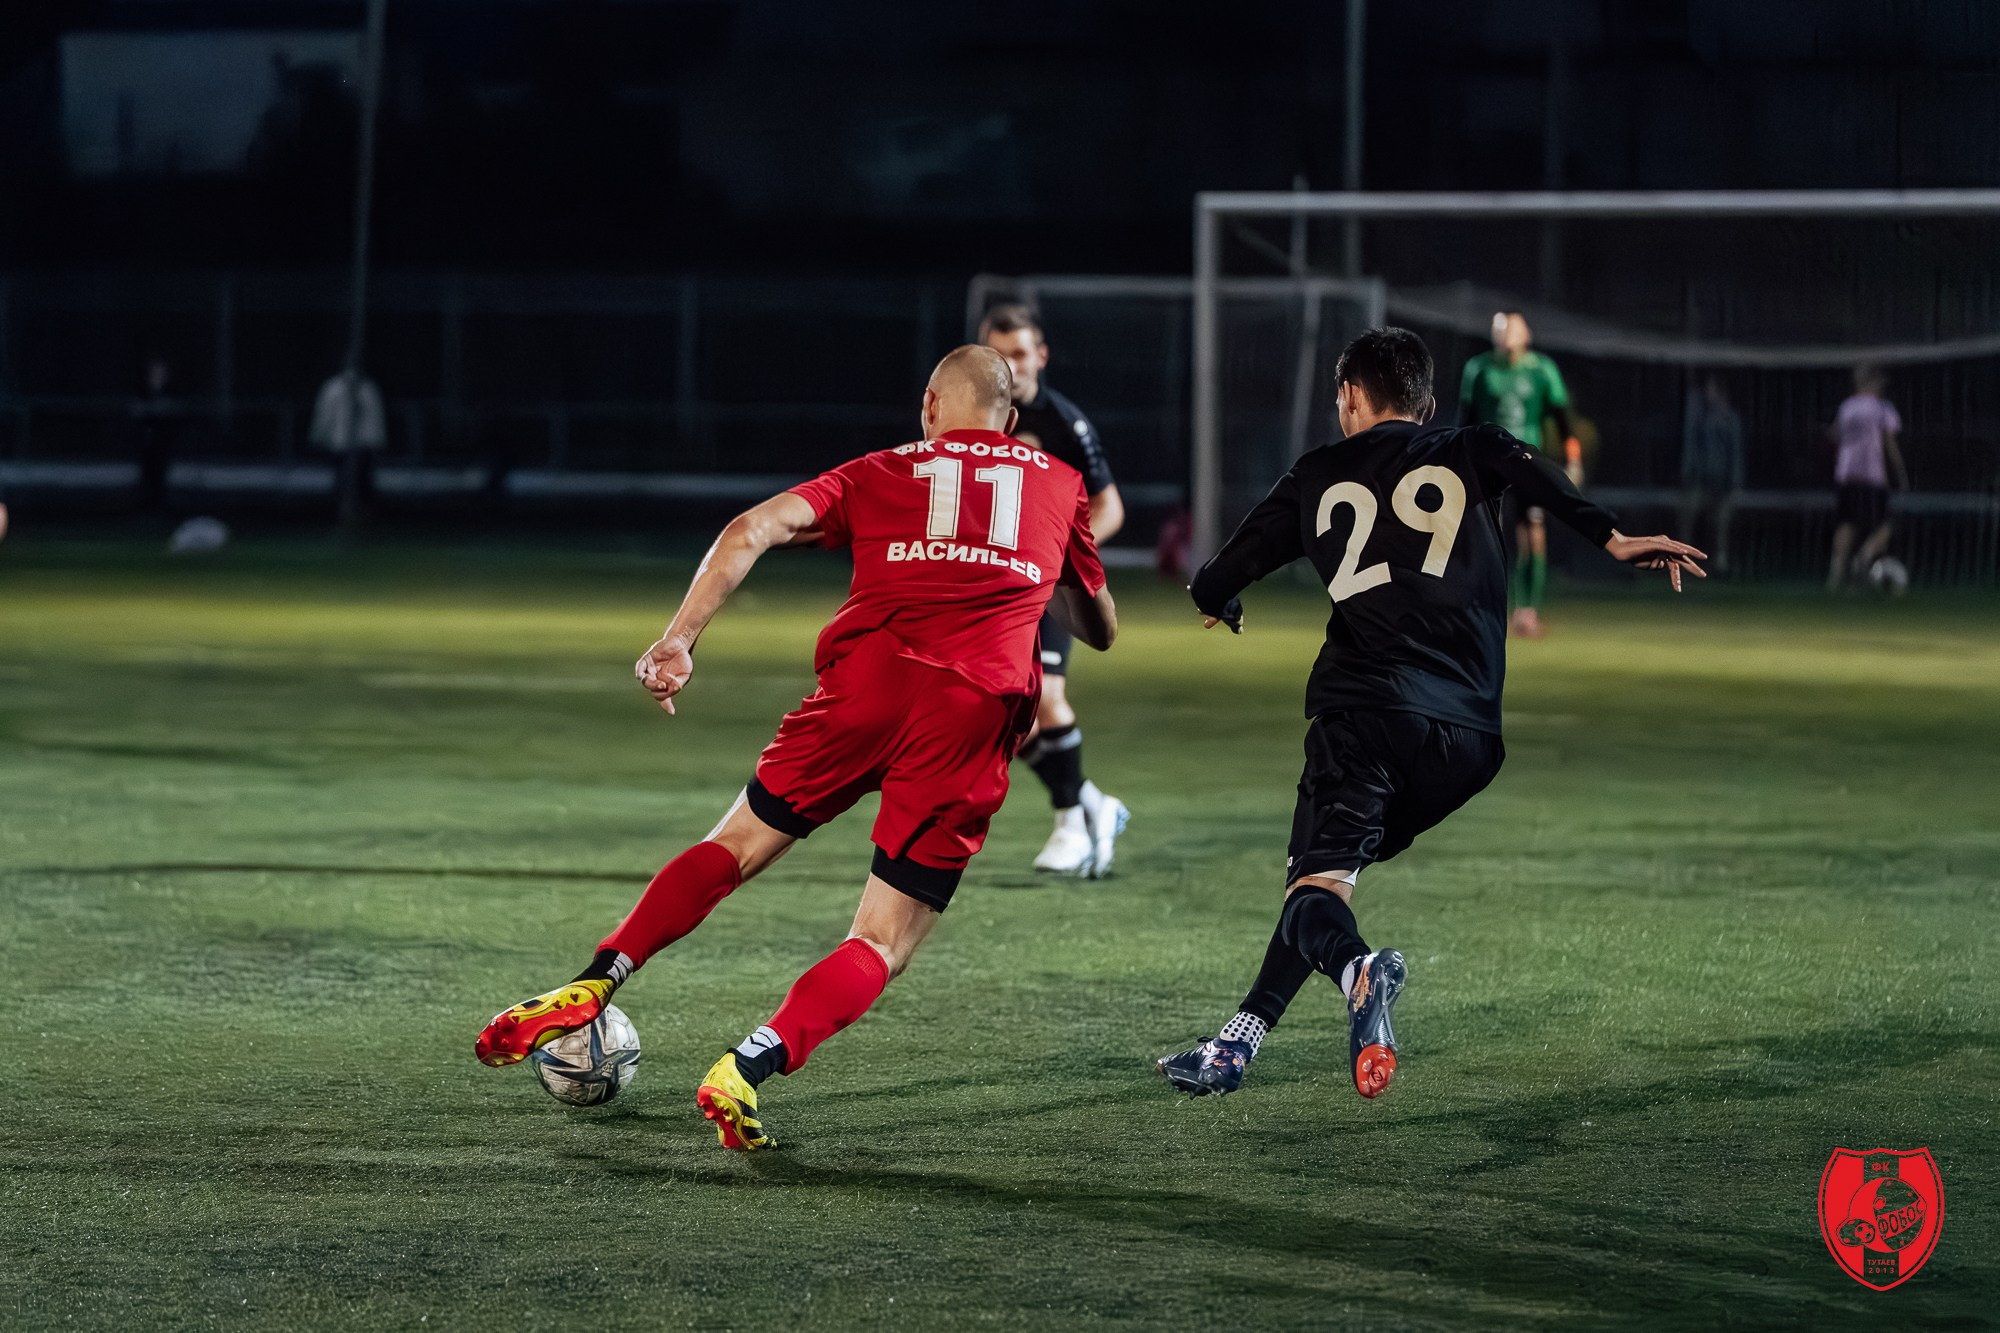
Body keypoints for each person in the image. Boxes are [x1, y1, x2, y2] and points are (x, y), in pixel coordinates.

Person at [474, 346, 1115, 1151]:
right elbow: (1102, 625)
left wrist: (678, 640)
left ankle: (599, 974)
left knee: (734, 845)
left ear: (928, 406)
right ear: (1012, 421)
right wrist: (1046, 566)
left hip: (863, 688)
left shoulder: (880, 468)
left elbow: (752, 527)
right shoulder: (1057, 482)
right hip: (970, 713)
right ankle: (747, 1064)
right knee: (881, 938)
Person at [1158, 327, 1702, 1101]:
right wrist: (1611, 538)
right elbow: (1540, 475)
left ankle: (1359, 972)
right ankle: (1235, 1045)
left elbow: (1212, 579)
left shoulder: (1316, 474)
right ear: (1430, 404)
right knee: (1320, 884)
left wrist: (1227, 603)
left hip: (1364, 718)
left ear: (1348, 397)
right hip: (1469, 743)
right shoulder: (1472, 446)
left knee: (1315, 891)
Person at [978, 303, 1131, 877]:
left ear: (1040, 355)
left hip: (1046, 583)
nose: (1012, 367)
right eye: (1001, 356)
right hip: (993, 582)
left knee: (1044, 698)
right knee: (992, 711)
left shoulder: (1064, 421)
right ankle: (1093, 803)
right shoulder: (978, 414)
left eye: (1021, 354)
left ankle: (1071, 822)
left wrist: (1058, 553)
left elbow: (1109, 507)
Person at [1458, 312, 1580, 638]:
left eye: (1513, 327)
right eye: (1501, 328)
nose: (1506, 333)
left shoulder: (1542, 370)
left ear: (1526, 333)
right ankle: (1485, 608)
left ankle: (1527, 611)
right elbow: (1464, 420)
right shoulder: (1479, 369)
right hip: (1488, 466)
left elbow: (1563, 418)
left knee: (1533, 535)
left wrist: (1573, 459)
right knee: (1488, 538)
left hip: (1528, 463)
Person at [1826, 365, 1908, 592]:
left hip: (1846, 474)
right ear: (1876, 382)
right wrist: (1900, 472)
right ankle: (1863, 558)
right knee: (1886, 525)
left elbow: (1834, 435)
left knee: (1846, 524)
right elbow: (1889, 442)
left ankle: (1834, 578)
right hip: (1872, 474)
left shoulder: (1847, 407)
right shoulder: (1882, 408)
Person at [1679, 374, 1745, 576]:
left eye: (1711, 389)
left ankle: (1720, 564)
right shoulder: (1702, 418)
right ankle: (1683, 559)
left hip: (1723, 484)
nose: (1708, 394)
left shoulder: (1731, 419)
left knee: (1721, 523)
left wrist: (1735, 484)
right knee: (1688, 514)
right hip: (1702, 481)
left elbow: (1736, 454)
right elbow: (1693, 448)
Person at [308, 368, 387, 525]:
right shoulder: (333, 388)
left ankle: (362, 516)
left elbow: (375, 417)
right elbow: (325, 414)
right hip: (340, 443)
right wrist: (319, 436)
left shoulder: (367, 389)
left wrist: (377, 440)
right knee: (342, 480)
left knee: (363, 482)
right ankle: (344, 515)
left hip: (364, 444)